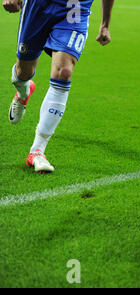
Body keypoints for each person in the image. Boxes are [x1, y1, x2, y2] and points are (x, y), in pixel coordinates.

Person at [3, 0, 114, 173]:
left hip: (74, 7)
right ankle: (23, 91)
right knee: (23, 72)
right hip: (38, 6)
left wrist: (105, 24)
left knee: (64, 71)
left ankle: (37, 151)